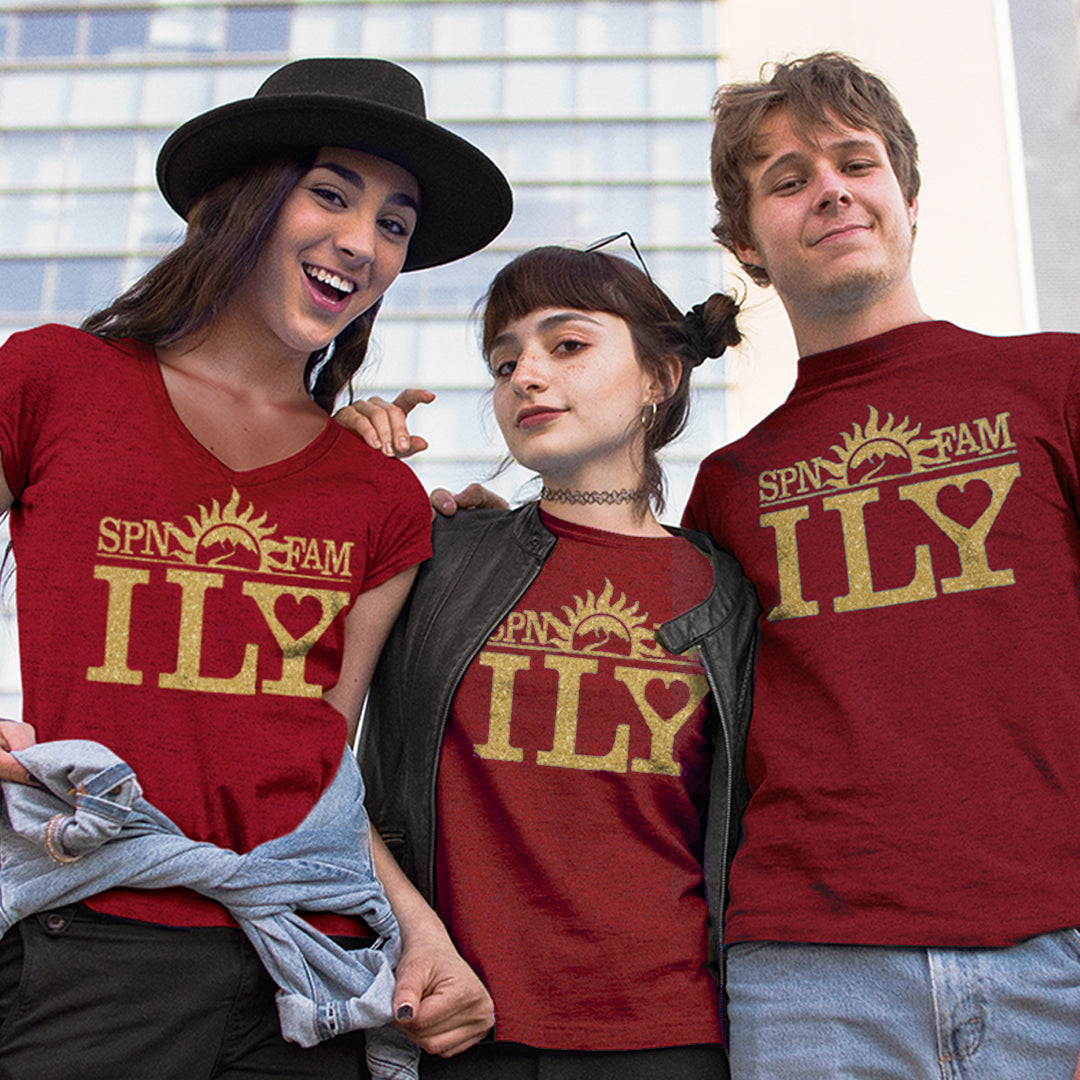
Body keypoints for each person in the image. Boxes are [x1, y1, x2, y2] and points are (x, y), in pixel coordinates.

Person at [0, 56, 511, 1079]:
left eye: (395, 224)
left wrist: (424, 933)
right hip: (92, 944)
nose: (362, 242)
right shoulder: (52, 380)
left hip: (308, 964)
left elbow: (323, 768)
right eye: (331, 193)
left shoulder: (381, 498)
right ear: (241, 201)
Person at [681, 51, 1080, 1079]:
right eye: (788, 179)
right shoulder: (729, 483)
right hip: (813, 975)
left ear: (906, 194)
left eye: (854, 162)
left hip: (1061, 945)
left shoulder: (1055, 384)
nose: (830, 190)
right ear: (746, 247)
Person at [356, 243, 760, 1080]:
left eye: (566, 345)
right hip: (463, 1028)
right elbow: (300, 738)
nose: (525, 377)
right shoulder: (438, 553)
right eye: (505, 362)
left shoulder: (726, 590)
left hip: (672, 1036)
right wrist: (336, 469)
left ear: (659, 378)